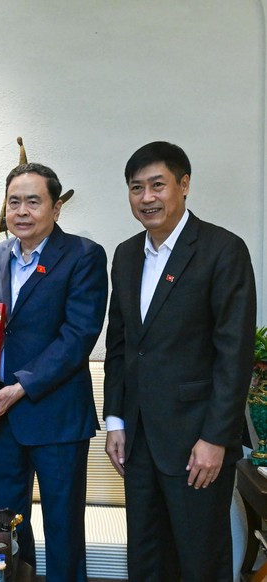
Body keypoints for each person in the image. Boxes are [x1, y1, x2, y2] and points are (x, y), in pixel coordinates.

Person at [104, 141, 256, 580]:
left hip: (196, 443)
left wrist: (215, 438)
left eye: (158, 185)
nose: (147, 197)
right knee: (146, 558)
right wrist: (116, 420)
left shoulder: (222, 250)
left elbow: (234, 354)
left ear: (184, 185)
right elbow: (121, 344)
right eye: (136, 188)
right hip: (139, 440)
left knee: (199, 560)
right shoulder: (127, 254)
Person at [0, 163, 107, 581]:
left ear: (56, 208)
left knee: (63, 526)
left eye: (33, 201)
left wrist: (22, 385)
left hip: (55, 413)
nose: (22, 211)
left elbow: (78, 335)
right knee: (4, 527)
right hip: (0, 413)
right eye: (14, 201)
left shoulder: (83, 255)